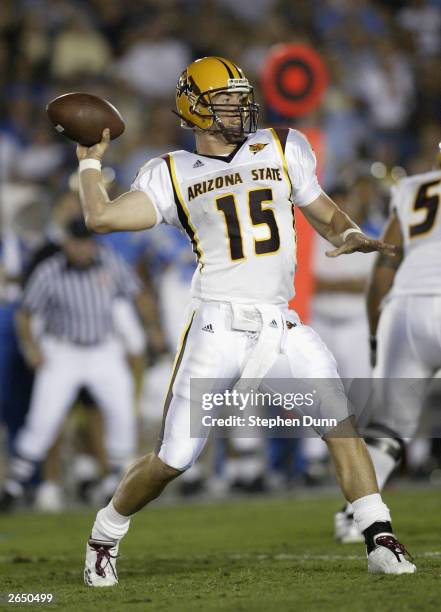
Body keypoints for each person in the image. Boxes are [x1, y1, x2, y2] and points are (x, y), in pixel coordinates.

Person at [78, 57, 415, 585]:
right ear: (194, 108)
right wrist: (89, 164)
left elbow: (326, 214)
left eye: (240, 97)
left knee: (341, 426)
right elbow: (101, 219)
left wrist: (347, 234)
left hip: (281, 324)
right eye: (225, 100)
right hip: (216, 325)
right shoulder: (171, 172)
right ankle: (106, 532)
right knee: (173, 459)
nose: (239, 108)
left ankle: (379, 537)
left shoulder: (282, 146)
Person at [0, 218, 146, 510]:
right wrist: (32, 348)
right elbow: (26, 313)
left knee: (121, 414)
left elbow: (133, 295)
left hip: (104, 349)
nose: (83, 249)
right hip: (63, 351)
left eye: (88, 242)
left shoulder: (110, 262)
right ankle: (16, 484)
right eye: (78, 242)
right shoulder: (49, 271)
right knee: (44, 419)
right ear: (67, 243)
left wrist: (136, 341)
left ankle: (115, 481)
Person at [336, 145, 441, 541]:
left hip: (404, 307)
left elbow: (383, 269)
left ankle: (354, 517)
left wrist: (377, 335)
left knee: (390, 431)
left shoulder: (413, 187)